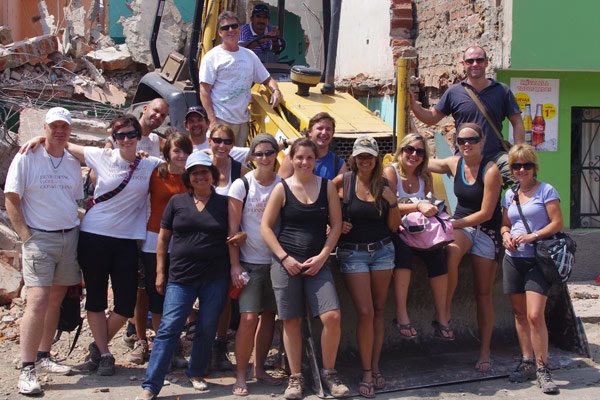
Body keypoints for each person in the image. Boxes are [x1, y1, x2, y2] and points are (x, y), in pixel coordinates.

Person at [136, 151, 234, 400]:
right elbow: (163, 238)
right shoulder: (177, 203)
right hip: (180, 276)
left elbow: (236, 233)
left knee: (206, 327)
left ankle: (196, 372)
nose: (200, 176)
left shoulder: (225, 203)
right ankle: (151, 385)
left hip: (215, 276)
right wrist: (160, 272)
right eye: (194, 173)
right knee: (169, 329)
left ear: (212, 175)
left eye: (204, 171)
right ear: (188, 178)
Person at [261, 138, 349, 399]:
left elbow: (336, 224)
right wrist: (284, 257)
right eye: (299, 157)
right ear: (291, 159)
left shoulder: (326, 188)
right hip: (286, 262)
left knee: (332, 316)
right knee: (291, 320)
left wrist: (323, 256)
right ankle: (296, 378)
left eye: (310, 158)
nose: (304, 162)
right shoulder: (282, 188)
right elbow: (266, 227)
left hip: (317, 263)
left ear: (315, 160)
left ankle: (329, 373)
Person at [5, 107, 82, 394]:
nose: (59, 131)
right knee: (36, 301)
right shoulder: (27, 157)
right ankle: (27, 369)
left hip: (68, 237)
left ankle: (43, 355)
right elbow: (12, 198)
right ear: (45, 127)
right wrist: (26, 236)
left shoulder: (72, 162)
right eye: (54, 126)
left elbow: (72, 198)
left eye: (64, 127)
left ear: (69, 130)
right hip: (39, 238)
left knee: (55, 300)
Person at [428, 123, 502, 372]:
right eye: (461, 140)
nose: (466, 144)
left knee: (483, 294)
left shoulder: (491, 170)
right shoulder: (454, 163)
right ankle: (444, 316)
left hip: (486, 229)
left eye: (471, 139)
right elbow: (419, 162)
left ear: (482, 142)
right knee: (450, 251)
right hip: (462, 227)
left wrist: (451, 222)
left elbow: (486, 213)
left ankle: (485, 350)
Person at [332, 136, 400, 397]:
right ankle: (367, 372)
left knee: (380, 309)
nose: (365, 160)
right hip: (353, 254)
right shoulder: (344, 182)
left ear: (376, 158)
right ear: (354, 158)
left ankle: (375, 366)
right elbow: (321, 205)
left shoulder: (384, 184)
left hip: (383, 251)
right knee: (365, 311)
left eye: (369, 156)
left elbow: (394, 226)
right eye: (360, 156)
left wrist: (392, 201)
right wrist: (335, 223)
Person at [410, 45, 525, 187]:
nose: (475, 64)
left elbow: (517, 122)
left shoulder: (502, 90)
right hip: (465, 156)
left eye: (479, 60)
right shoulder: (454, 92)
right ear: (463, 64)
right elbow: (433, 117)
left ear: (486, 62)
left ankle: (516, 208)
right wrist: (414, 106)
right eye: (470, 61)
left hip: (495, 155)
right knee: (471, 199)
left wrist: (518, 152)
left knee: (521, 176)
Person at [126, 133, 193, 365]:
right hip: (153, 239)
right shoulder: (155, 172)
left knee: (174, 294)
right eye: (176, 151)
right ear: (167, 153)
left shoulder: (191, 176)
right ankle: (150, 342)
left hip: (182, 242)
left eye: (185, 151)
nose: (181, 155)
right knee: (152, 290)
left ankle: (169, 344)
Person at [500, 144, 562, 394]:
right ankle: (527, 361)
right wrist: (506, 235)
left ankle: (542, 367)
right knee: (519, 314)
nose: (521, 169)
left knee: (535, 315)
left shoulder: (546, 190)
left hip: (538, 258)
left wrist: (532, 235)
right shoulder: (509, 194)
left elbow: (557, 223)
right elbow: (505, 223)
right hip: (513, 257)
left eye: (526, 165)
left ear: (534, 167)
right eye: (516, 165)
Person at [383, 134, 453, 341]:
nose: (414, 155)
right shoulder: (391, 172)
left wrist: (428, 207)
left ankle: (441, 315)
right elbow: (389, 204)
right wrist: (417, 205)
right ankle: (402, 313)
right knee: (402, 254)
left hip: (419, 230)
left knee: (438, 257)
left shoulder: (426, 176)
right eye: (410, 150)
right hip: (396, 227)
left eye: (420, 152)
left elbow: (430, 203)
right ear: (402, 150)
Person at [228, 134, 283, 395]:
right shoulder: (242, 185)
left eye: (269, 152)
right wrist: (235, 266)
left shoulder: (283, 184)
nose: (264, 158)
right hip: (249, 262)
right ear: (251, 156)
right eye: (259, 153)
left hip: (275, 262)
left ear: (275, 154)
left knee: (269, 316)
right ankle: (241, 374)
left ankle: (258, 369)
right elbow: (233, 231)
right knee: (248, 318)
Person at [199, 11, 282, 147]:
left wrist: (276, 91)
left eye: (234, 26)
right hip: (221, 120)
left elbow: (267, 79)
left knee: (239, 162)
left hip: (242, 121)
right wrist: (213, 122)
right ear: (220, 32)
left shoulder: (249, 56)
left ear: (239, 28)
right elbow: (204, 91)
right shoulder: (212, 57)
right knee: (219, 162)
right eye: (225, 28)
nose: (230, 30)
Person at [278, 112, 347, 180]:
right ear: (309, 132)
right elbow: (280, 187)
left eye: (328, 129)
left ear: (333, 133)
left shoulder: (339, 165)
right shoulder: (293, 158)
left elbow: (341, 190)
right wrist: (286, 142)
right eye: (320, 128)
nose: (324, 133)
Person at [185, 105, 250, 163]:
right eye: (191, 121)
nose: (196, 124)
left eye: (199, 120)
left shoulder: (217, 144)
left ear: (208, 123)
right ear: (186, 126)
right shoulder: (182, 148)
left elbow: (249, 153)